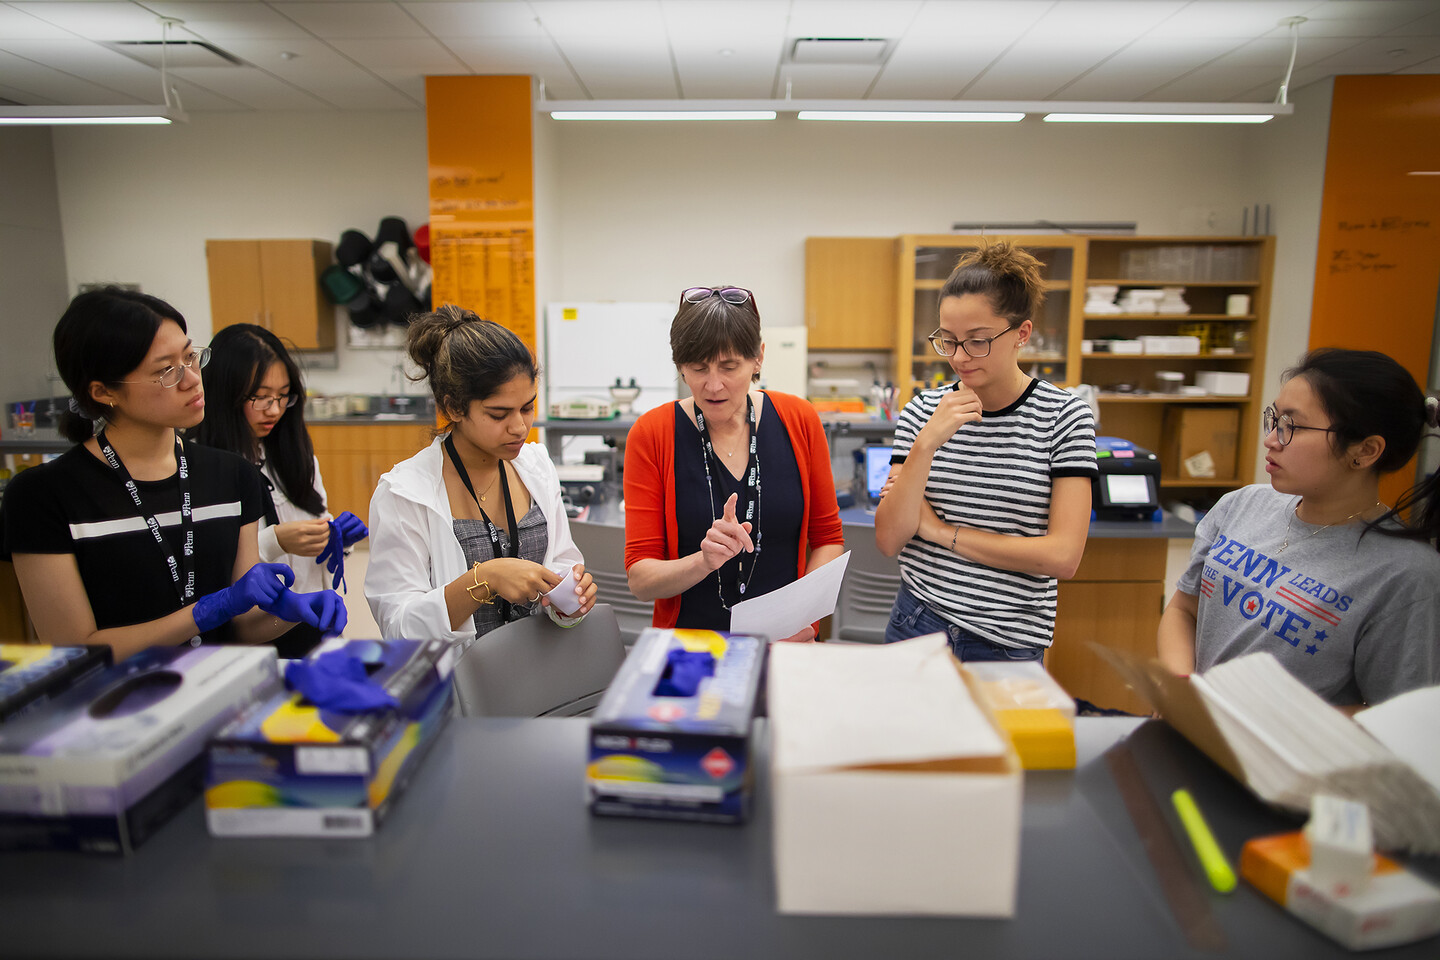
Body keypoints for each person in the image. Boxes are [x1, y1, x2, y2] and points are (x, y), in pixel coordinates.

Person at [0, 287, 345, 661]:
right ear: (102, 391)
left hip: (218, 691)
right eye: (166, 370)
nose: (192, 379)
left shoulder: (234, 476)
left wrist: (292, 614)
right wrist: (202, 613)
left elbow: (244, 627)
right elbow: (75, 651)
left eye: (190, 357)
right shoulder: (43, 496)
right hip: (114, 706)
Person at [1158, 348, 1440, 708]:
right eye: (1274, 419)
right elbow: (1183, 610)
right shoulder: (1241, 505)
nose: (1271, 439)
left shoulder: (1407, 574)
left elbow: (1398, 719)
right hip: (1197, 739)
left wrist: (1262, 723)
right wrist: (1182, 689)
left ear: (1366, 451)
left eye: (1292, 426)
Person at [875, 242, 1097, 660]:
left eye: (977, 341)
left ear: (1022, 334)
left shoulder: (1063, 416)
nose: (959, 357)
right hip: (917, 623)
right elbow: (889, 538)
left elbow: (1063, 556)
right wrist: (925, 444)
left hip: (1006, 641)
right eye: (948, 340)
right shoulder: (924, 410)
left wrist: (941, 532)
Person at [364, 305, 596, 651]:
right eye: (499, 414)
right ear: (455, 407)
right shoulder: (404, 493)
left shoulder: (536, 467)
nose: (519, 427)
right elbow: (399, 627)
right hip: (455, 691)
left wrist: (571, 597)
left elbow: (562, 561)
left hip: (535, 678)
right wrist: (484, 579)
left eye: (528, 407)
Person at [624, 285, 845, 639]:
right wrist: (704, 560)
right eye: (698, 368)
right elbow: (641, 580)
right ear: (680, 366)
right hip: (690, 648)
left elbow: (827, 538)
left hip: (788, 642)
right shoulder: (652, 434)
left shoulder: (799, 419)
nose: (713, 386)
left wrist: (804, 622)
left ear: (758, 357)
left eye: (729, 366)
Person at [193, 323, 368, 659]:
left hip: (313, 626)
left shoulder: (293, 456)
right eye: (259, 396)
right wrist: (276, 540)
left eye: (282, 395)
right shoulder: (205, 466)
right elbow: (212, 565)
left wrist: (334, 540)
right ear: (223, 394)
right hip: (250, 639)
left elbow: (315, 554)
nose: (273, 409)